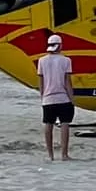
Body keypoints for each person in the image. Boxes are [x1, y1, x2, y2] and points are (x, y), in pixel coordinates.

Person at [36, 33, 74, 161]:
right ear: (60, 46)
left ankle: (50, 155)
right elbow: (67, 82)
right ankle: (64, 154)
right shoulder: (66, 60)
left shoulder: (41, 61)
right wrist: (72, 98)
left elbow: (41, 82)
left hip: (48, 98)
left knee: (48, 125)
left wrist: (43, 97)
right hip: (63, 97)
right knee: (65, 124)